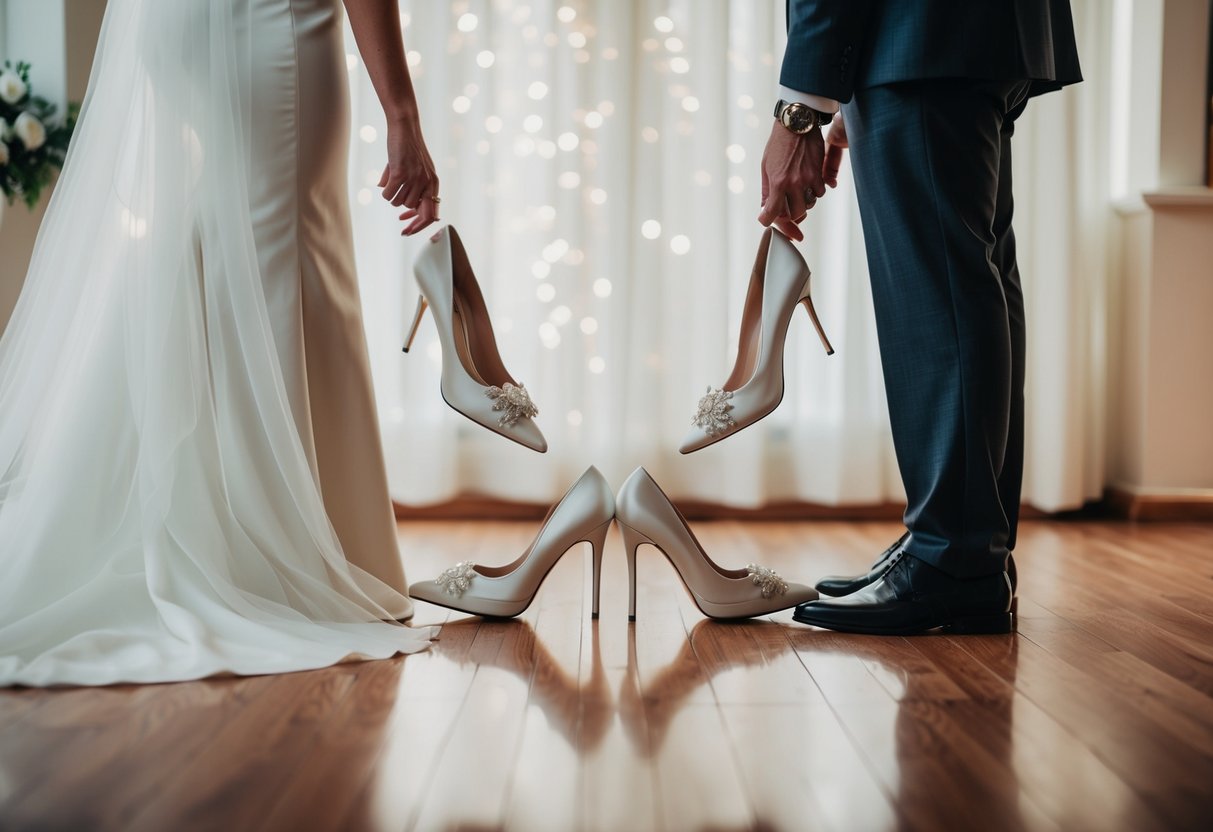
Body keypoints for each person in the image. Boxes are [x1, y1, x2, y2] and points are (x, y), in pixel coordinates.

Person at [0, 0, 439, 686]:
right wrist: (402, 115)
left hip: (176, 23)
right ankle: (274, 559)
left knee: (230, 241)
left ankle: (220, 520)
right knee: (287, 249)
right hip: (271, 23)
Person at [758, 1, 1081, 634]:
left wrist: (800, 109)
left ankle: (954, 558)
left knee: (940, 294)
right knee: (974, 279)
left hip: (916, 32)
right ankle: (968, 548)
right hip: (963, 32)